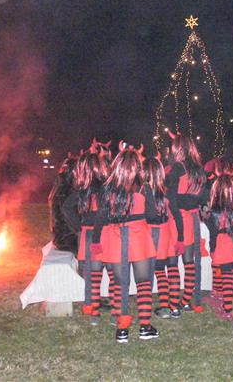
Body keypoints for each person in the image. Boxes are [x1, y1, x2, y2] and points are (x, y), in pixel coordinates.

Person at [93, 143, 159, 343]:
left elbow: (101, 217)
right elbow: (152, 215)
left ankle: (122, 330)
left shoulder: (107, 188)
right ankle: (145, 327)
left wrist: (96, 241)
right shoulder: (144, 187)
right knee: (144, 283)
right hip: (139, 237)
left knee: (120, 285)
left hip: (115, 238)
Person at [62, 151, 112, 325]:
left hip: (89, 233)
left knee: (90, 273)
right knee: (110, 272)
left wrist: (78, 227)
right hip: (104, 231)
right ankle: (112, 308)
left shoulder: (83, 189)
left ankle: (92, 308)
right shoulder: (105, 186)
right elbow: (103, 212)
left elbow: (66, 207)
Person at [165, 132, 208, 316]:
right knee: (189, 261)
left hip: (177, 219)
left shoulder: (177, 168)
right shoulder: (199, 169)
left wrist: (179, 228)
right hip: (192, 218)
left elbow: (172, 200)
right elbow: (203, 197)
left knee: (173, 262)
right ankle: (186, 301)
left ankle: (174, 305)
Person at [204, 172, 233, 320]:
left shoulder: (214, 212)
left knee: (225, 274)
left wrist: (212, 249)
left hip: (222, 244)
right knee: (229, 274)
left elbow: (213, 233)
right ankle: (224, 302)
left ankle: (226, 306)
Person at [142, 154, 177, 319]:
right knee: (160, 269)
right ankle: (167, 306)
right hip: (165, 230)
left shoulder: (145, 190)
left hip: (151, 231)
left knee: (149, 270)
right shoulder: (165, 189)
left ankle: (152, 306)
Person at [48, 154, 78, 253]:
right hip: (68, 238)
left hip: (60, 236)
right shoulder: (68, 190)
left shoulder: (59, 186)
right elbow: (68, 215)